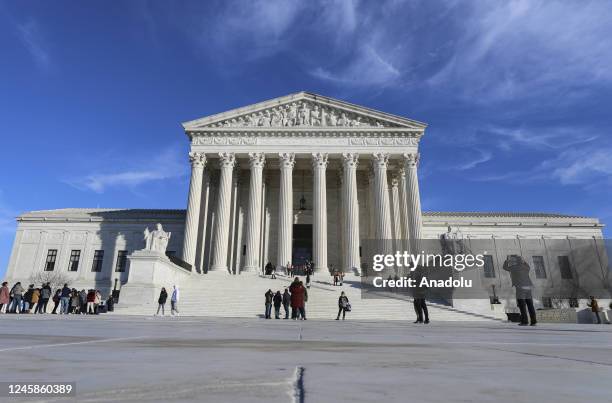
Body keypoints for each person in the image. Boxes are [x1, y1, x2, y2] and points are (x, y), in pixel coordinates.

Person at [503, 255, 537, 326]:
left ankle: (525, 321)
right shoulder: (526, 267)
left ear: (516, 261)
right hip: (528, 287)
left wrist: (507, 260)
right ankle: (533, 321)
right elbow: (527, 265)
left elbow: (505, 267)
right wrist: (523, 260)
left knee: (522, 306)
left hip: (521, 288)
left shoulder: (515, 267)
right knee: (530, 305)